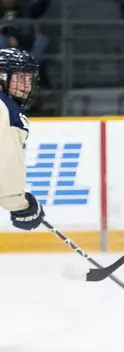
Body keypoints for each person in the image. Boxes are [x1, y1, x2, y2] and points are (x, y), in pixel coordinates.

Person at [0, 48, 44, 232]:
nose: (27, 86)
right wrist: (20, 205)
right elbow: (5, 164)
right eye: (20, 78)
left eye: (28, 79)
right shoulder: (5, 110)